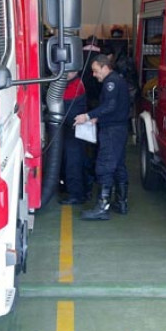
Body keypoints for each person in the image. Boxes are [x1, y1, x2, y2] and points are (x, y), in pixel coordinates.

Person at [74, 54, 130, 220]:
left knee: (104, 166)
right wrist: (98, 117)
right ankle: (121, 202)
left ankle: (102, 207)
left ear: (105, 67)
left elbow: (110, 105)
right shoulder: (118, 80)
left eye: (96, 70)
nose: (94, 74)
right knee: (119, 165)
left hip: (112, 131)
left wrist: (88, 115)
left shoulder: (110, 83)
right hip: (120, 128)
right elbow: (115, 107)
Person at [59, 71, 88, 205]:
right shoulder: (69, 83)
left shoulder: (75, 85)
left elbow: (65, 109)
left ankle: (76, 194)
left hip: (74, 129)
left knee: (73, 161)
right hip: (70, 129)